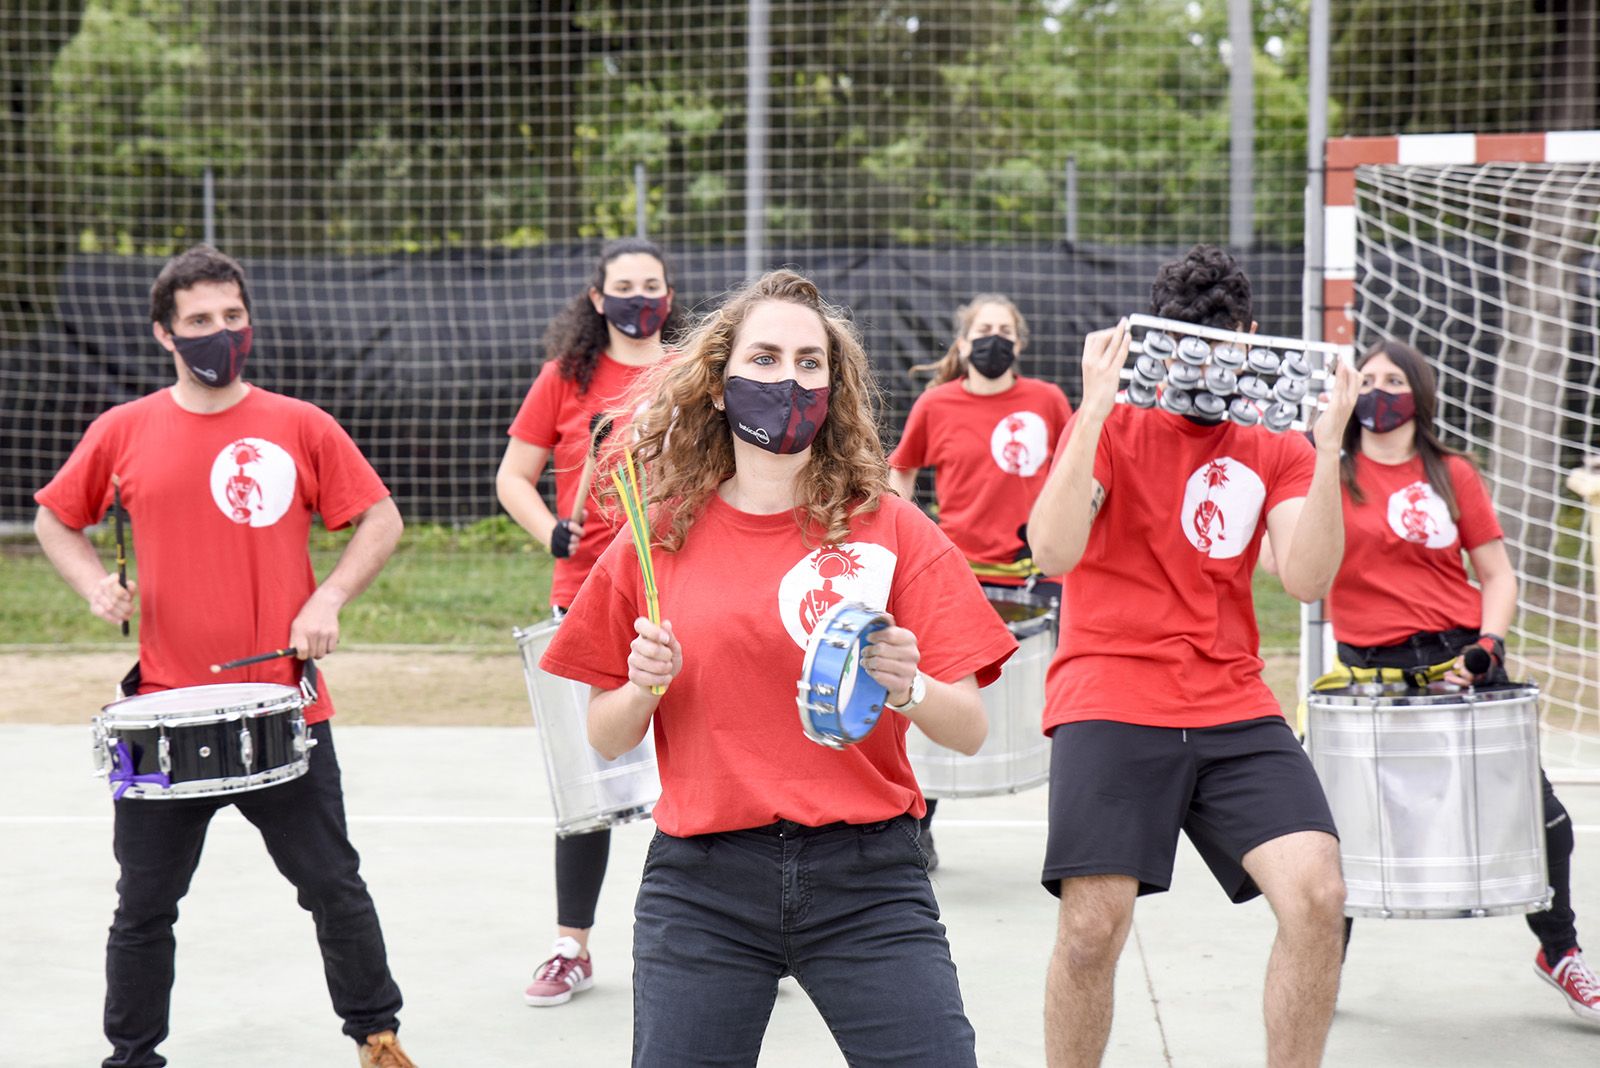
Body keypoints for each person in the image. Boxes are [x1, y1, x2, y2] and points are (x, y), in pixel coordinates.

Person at [539, 268, 1017, 1066]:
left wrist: (911, 685)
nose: (787, 378)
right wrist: (641, 686)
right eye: (763, 359)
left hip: (870, 880)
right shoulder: (657, 537)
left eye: (808, 362)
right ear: (720, 385)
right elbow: (608, 735)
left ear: (833, 385)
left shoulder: (892, 528)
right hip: (703, 886)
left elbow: (968, 729)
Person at [33, 245, 415, 1068]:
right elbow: (56, 518)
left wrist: (327, 597)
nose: (220, 334)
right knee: (143, 907)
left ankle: (377, 1039)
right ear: (166, 335)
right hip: (162, 714)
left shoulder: (300, 425)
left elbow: (380, 518)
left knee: (333, 888)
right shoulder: (123, 430)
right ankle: (132, 1056)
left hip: (286, 706)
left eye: (232, 317)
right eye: (200, 321)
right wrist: (94, 582)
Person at [1027, 244, 1360, 1067]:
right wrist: (1094, 408)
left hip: (1230, 701)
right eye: (1184, 342)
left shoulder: (1273, 442)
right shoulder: (1113, 423)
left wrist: (1326, 450)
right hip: (1109, 689)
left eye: (1220, 343)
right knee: (1091, 928)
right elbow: (1054, 551)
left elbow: (1310, 578)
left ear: (1249, 339)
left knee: (1319, 894)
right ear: (1157, 340)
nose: (1203, 361)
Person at [1312, 338, 1599, 1023]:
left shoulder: (1452, 473)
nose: (1380, 390)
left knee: (1545, 819)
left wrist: (1487, 645)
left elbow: (1497, 574)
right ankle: (1322, 970)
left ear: (1420, 393)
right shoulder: (1328, 471)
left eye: (1394, 378)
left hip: (1460, 667)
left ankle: (1559, 951)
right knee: (1337, 836)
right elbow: (1290, 565)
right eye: (1369, 378)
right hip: (1369, 676)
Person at [494, 236, 680, 1006]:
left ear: (669, 295)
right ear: (598, 300)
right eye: (625, 286)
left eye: (654, 284)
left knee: (701, 776)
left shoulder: (691, 371)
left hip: (676, 596)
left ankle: (739, 946)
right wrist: (552, 532)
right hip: (586, 602)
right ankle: (572, 946)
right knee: (586, 790)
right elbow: (514, 476)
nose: (641, 297)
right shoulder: (564, 379)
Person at [887, 294, 1072, 867]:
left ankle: (1072, 833)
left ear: (1020, 343)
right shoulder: (937, 403)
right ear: (963, 344)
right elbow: (902, 468)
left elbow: (1074, 467)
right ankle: (921, 828)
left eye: (1005, 330)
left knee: (1059, 707)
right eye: (984, 329)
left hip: (1036, 574)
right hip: (959, 575)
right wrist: (904, 536)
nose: (995, 338)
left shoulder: (1047, 400)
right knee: (941, 699)